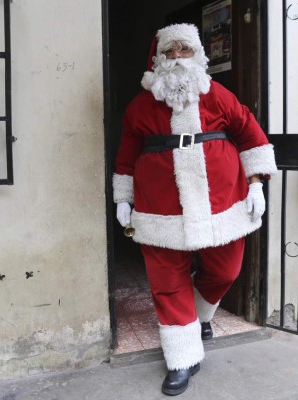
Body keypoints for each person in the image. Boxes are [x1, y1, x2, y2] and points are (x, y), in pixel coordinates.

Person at [112, 23, 277, 396]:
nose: (177, 58)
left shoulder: (218, 95)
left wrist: (255, 184)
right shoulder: (140, 105)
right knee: (167, 282)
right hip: (160, 209)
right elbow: (125, 153)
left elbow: (251, 135)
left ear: (197, 55)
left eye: (184, 51)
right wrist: (123, 196)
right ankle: (182, 358)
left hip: (222, 204)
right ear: (157, 60)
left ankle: (201, 315)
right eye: (169, 52)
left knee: (226, 269)